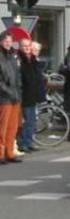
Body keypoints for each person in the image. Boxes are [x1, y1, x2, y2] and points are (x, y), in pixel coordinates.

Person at [0, 31, 22, 164]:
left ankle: (9, 152)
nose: (8, 43)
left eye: (10, 41)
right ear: (1, 41)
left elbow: (17, 76)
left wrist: (18, 92)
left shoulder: (12, 56)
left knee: (12, 127)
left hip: (15, 96)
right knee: (2, 127)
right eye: (6, 40)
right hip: (4, 97)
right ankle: (0, 154)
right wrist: (9, 92)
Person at [17, 38, 42, 153]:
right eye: (24, 46)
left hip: (32, 94)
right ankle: (23, 143)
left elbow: (37, 77)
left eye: (28, 46)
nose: (27, 48)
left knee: (32, 121)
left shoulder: (32, 59)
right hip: (24, 94)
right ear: (20, 47)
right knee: (26, 121)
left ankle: (29, 141)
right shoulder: (20, 60)